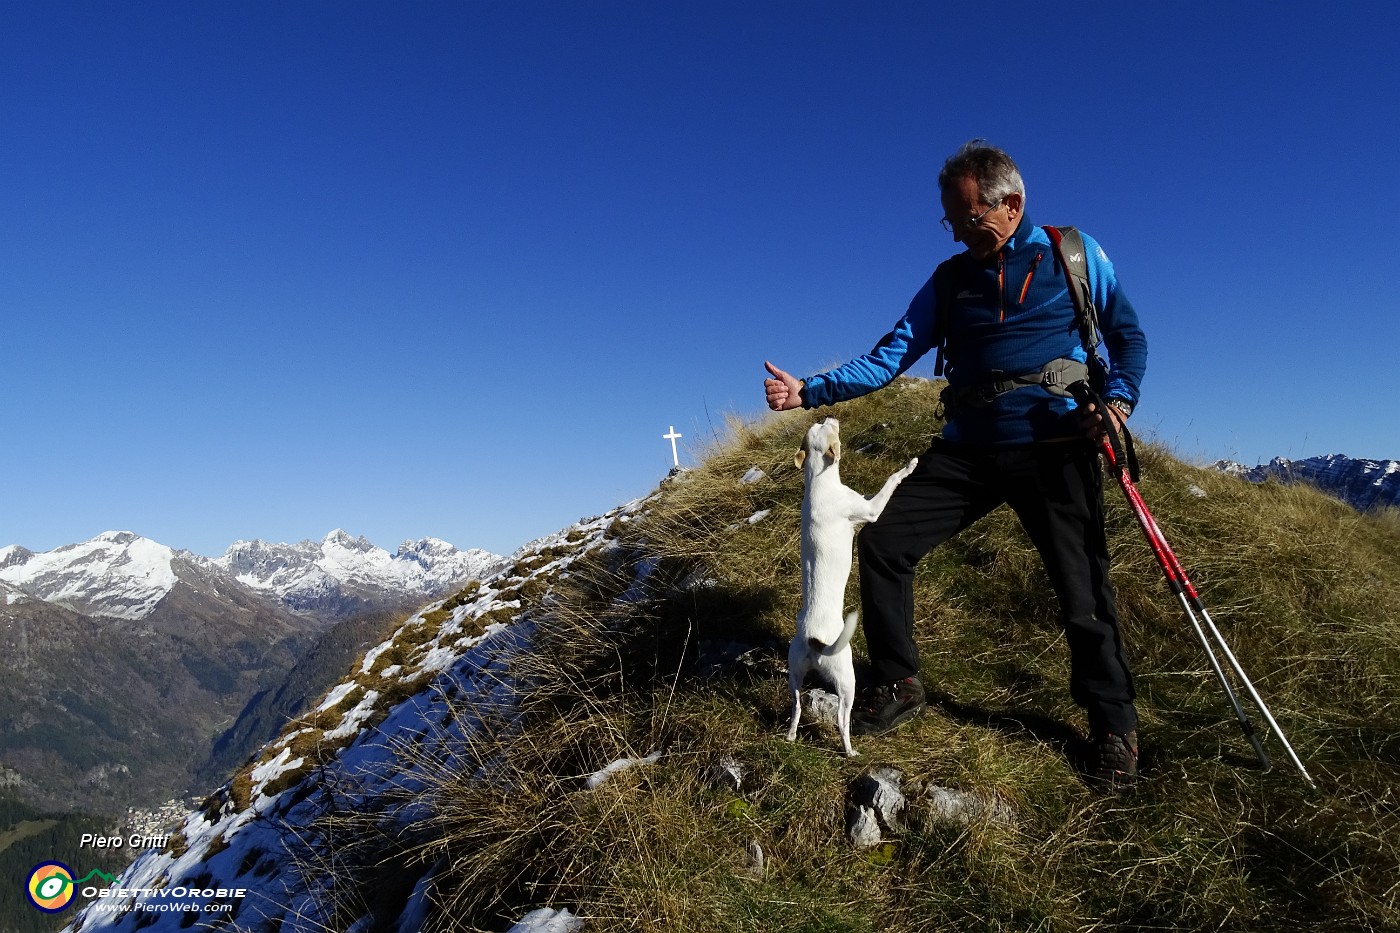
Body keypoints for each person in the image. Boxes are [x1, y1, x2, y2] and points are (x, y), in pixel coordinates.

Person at [763, 140, 1148, 786]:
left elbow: (1127, 335)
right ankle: (899, 681)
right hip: (967, 449)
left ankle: (1114, 728)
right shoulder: (950, 281)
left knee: (1082, 593)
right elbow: (892, 355)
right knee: (884, 540)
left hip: (1057, 445)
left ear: (1010, 204)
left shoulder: (1074, 256)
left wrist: (1118, 401)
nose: (959, 232)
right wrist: (811, 391)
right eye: (951, 220)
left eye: (968, 217)